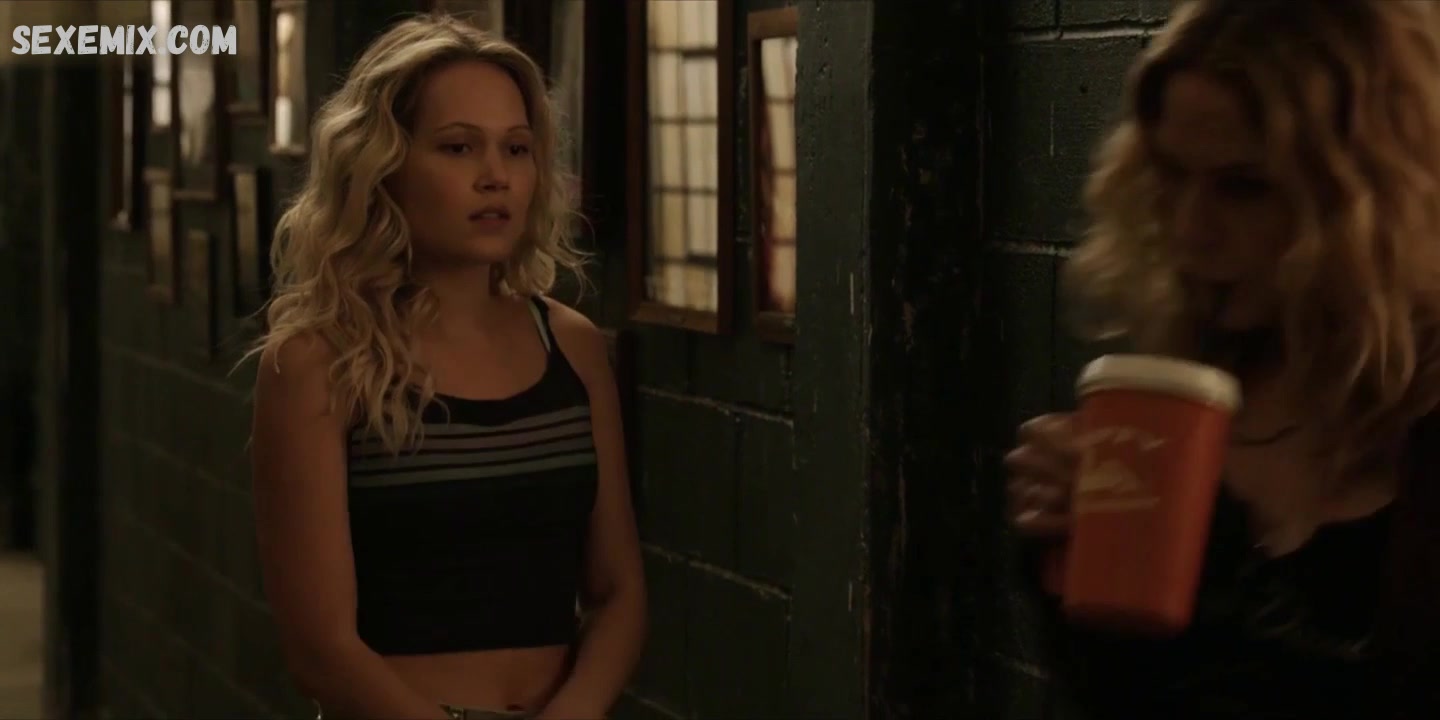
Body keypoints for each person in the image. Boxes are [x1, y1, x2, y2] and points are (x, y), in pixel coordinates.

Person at [1003, 0, 1440, 717]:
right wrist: (1066, 563)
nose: (1189, 229)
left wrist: (1216, 577)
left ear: (1371, 196)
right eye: (1172, 175)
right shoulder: (1185, 397)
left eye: (1244, 186)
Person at [244, 14, 646, 720]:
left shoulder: (572, 346)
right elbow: (321, 650)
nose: (496, 178)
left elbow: (618, 593)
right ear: (384, 165)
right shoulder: (317, 362)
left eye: (516, 149)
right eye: (459, 147)